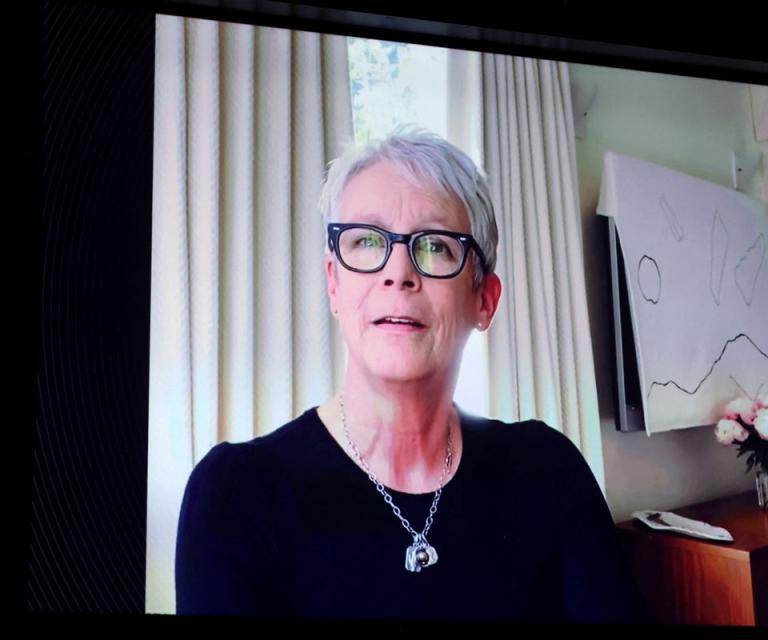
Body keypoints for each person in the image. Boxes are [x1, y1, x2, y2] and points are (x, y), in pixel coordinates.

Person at [175, 129, 646, 623]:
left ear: (483, 299)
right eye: (366, 241)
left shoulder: (548, 471)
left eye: (436, 247)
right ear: (334, 285)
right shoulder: (236, 494)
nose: (397, 272)